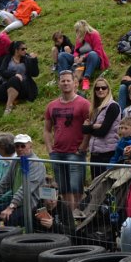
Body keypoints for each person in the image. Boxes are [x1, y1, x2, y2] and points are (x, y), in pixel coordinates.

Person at [43, 71, 91, 210]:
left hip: (75, 153)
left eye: (68, 80)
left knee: (76, 189)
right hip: (57, 153)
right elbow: (47, 130)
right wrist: (50, 150)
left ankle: (77, 216)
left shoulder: (84, 104)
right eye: (62, 81)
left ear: (75, 83)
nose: (65, 83)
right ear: (59, 83)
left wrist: (83, 147)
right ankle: (68, 216)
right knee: (63, 189)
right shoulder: (51, 105)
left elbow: (89, 128)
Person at [0, 41, 39, 120]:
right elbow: (2, 71)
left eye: (26, 49)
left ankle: (8, 107)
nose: (25, 51)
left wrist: (34, 61)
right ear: (16, 50)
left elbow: (35, 74)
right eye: (23, 49)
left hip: (24, 87)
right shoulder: (8, 58)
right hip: (9, 86)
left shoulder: (27, 59)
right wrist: (14, 74)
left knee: (14, 80)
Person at [83, 78, 121, 178]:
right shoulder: (95, 109)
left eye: (103, 88)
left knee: (105, 185)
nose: (100, 90)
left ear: (108, 89)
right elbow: (84, 130)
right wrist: (93, 127)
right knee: (95, 184)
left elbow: (102, 132)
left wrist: (89, 127)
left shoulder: (113, 106)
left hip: (108, 154)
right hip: (95, 153)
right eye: (97, 88)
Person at [68, 20, 109, 91]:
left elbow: (97, 51)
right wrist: (76, 56)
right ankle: (65, 77)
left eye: (78, 30)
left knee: (92, 54)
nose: (76, 32)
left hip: (94, 59)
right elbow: (76, 50)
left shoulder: (94, 34)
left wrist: (84, 56)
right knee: (63, 55)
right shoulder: (79, 37)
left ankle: (86, 78)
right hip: (81, 61)